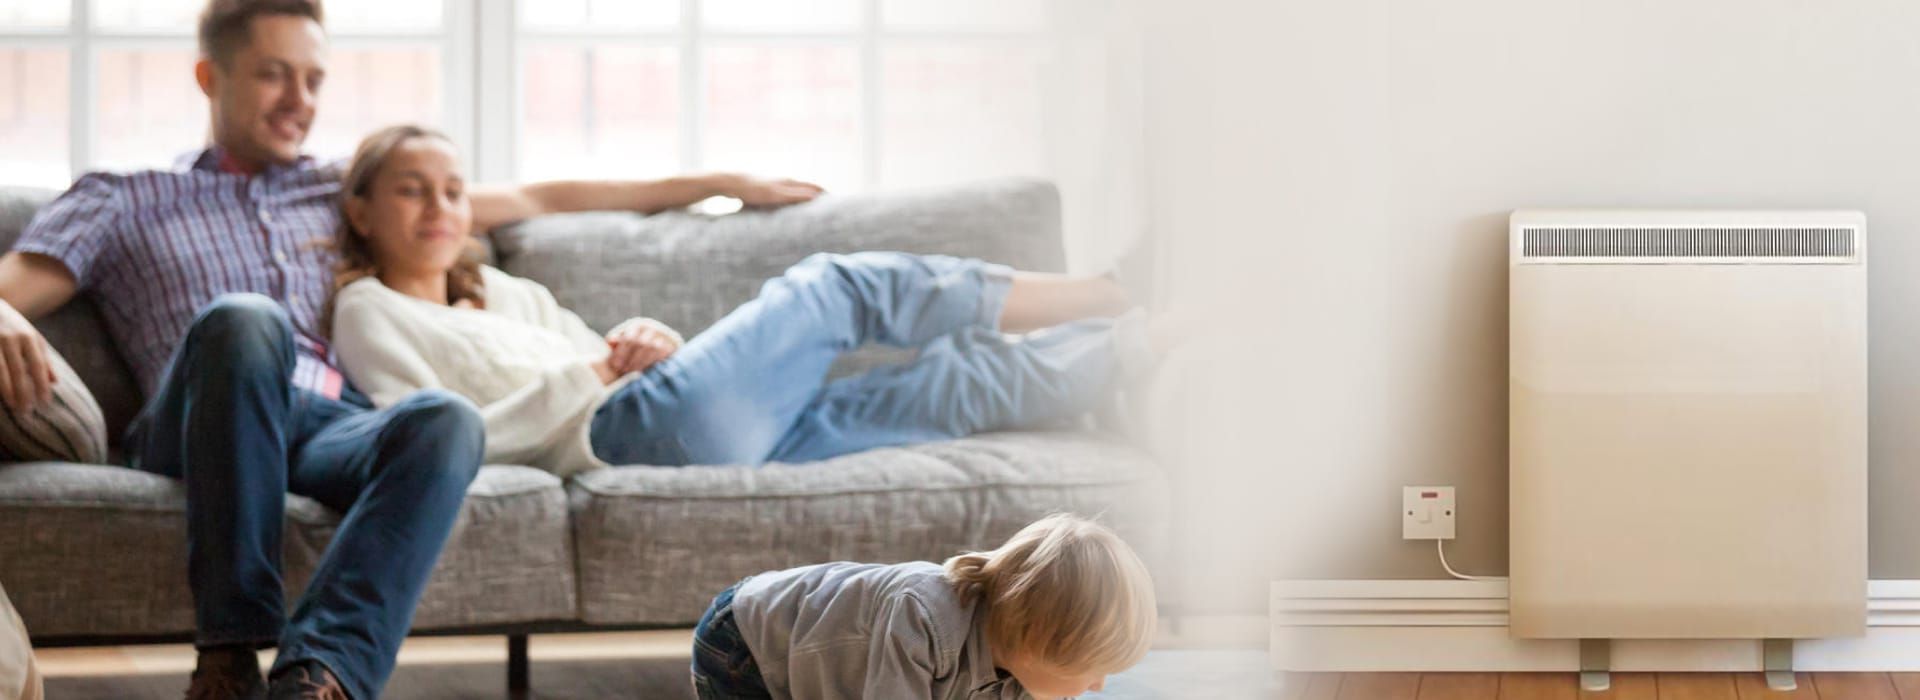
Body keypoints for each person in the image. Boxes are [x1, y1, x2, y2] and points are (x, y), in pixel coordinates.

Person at [0, 1, 820, 697]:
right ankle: (228, 650)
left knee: (443, 419)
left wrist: (722, 182)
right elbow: (15, 285)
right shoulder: (124, 198)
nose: (300, 100)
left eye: (314, 78)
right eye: (273, 74)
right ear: (210, 78)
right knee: (247, 319)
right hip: (200, 421)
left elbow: (543, 195)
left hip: (324, 418)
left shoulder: (338, 188)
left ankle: (321, 673)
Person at [327, 124, 1169, 474]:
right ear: (361, 210)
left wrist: (640, 337)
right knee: (835, 287)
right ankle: (1109, 291)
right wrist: (592, 375)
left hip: (675, 413)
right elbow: (426, 438)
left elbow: (597, 344)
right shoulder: (370, 311)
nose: (440, 207)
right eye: (411, 190)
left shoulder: (504, 290)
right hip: (627, 431)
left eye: (452, 189)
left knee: (945, 384)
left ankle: (1146, 339)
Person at [692, 513, 1156, 700]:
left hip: (824, 665)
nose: (1098, 687)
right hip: (746, 642)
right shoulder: (921, 614)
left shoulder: (1023, 676)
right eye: (1092, 669)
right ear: (1036, 640)